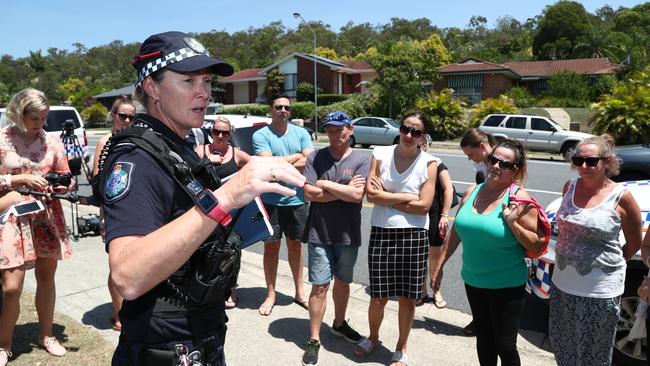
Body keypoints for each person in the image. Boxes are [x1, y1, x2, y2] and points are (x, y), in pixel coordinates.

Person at [97, 31, 305, 365]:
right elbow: (128, 276)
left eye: (207, 81)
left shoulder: (175, 147)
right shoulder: (137, 158)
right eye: (189, 81)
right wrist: (227, 196)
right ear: (151, 87)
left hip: (201, 338)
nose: (204, 93)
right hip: (163, 349)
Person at [431, 138, 545, 366]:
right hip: (474, 281)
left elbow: (538, 244)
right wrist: (439, 265)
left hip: (507, 285)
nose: (496, 166)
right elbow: (457, 232)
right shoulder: (473, 191)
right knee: (484, 341)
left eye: (505, 164)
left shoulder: (519, 200)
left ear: (516, 171)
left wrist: (513, 224)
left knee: (504, 345)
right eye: (493, 160)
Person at [549, 135, 642, 366]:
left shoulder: (622, 197)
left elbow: (634, 244)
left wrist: (608, 266)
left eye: (591, 161)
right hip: (562, 285)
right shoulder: (569, 187)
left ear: (607, 162)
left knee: (594, 356)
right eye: (578, 160)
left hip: (599, 292)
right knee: (564, 349)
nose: (583, 166)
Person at [354, 112, 437, 366]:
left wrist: (388, 195)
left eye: (416, 132)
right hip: (382, 231)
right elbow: (371, 196)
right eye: (405, 129)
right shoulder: (380, 154)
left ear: (424, 137)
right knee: (377, 295)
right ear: (399, 129)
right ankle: (373, 337)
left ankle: (401, 347)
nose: (409, 135)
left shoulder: (430, 162)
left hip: (414, 235)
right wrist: (406, 198)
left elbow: (424, 206)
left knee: (407, 297)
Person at [0, 88, 73, 365]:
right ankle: (4, 344)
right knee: (11, 287)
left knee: (46, 278)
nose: (41, 125)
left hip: (45, 216)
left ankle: (46, 335)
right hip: (10, 217)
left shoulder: (52, 142)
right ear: (19, 113)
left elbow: (66, 177)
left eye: (44, 118)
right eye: (35, 118)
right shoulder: (2, 140)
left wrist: (61, 186)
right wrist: (18, 180)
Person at [300, 111, 370, 366]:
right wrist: (343, 188)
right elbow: (308, 193)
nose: (334, 134)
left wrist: (326, 185)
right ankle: (314, 338)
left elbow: (357, 196)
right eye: (329, 129)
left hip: (347, 233)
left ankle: (339, 324)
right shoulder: (316, 157)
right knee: (320, 286)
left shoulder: (363, 158)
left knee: (342, 282)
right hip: (319, 232)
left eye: (339, 129)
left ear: (349, 130)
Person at [252, 93, 313, 316]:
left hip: (297, 200)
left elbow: (311, 161)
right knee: (271, 247)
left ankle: (299, 292)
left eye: (287, 107)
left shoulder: (301, 133)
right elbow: (267, 165)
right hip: (270, 200)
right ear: (271, 109)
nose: (283, 111)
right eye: (278, 107)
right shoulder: (261, 134)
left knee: (296, 246)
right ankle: (271, 294)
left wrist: (280, 166)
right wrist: (295, 158)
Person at [194, 116, 251, 309]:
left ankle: (231, 289)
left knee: (232, 250)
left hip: (229, 214)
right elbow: (187, 172)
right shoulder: (200, 151)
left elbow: (254, 168)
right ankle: (203, 286)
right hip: (204, 211)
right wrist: (206, 161)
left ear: (230, 134)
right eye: (216, 132)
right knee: (203, 251)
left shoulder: (237, 154)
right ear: (211, 133)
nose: (220, 135)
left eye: (225, 133)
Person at [91, 96, 136, 332]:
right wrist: (103, 215)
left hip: (137, 209)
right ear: (114, 115)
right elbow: (99, 182)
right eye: (123, 116)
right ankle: (118, 313)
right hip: (113, 210)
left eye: (131, 116)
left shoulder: (138, 140)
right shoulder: (105, 142)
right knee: (117, 263)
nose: (127, 120)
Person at [457, 127, 495, 335]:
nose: (472, 160)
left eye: (472, 155)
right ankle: (480, 318)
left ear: (483, 146)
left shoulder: (501, 162)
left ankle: (488, 320)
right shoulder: (485, 166)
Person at [418, 141, 454, 308]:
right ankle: (422, 291)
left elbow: (448, 189)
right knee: (419, 257)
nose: (419, 148)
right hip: (416, 215)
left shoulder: (437, 163)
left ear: (426, 144)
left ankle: (436, 291)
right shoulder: (411, 164)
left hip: (435, 216)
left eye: (421, 145)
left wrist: (444, 215)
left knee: (434, 258)